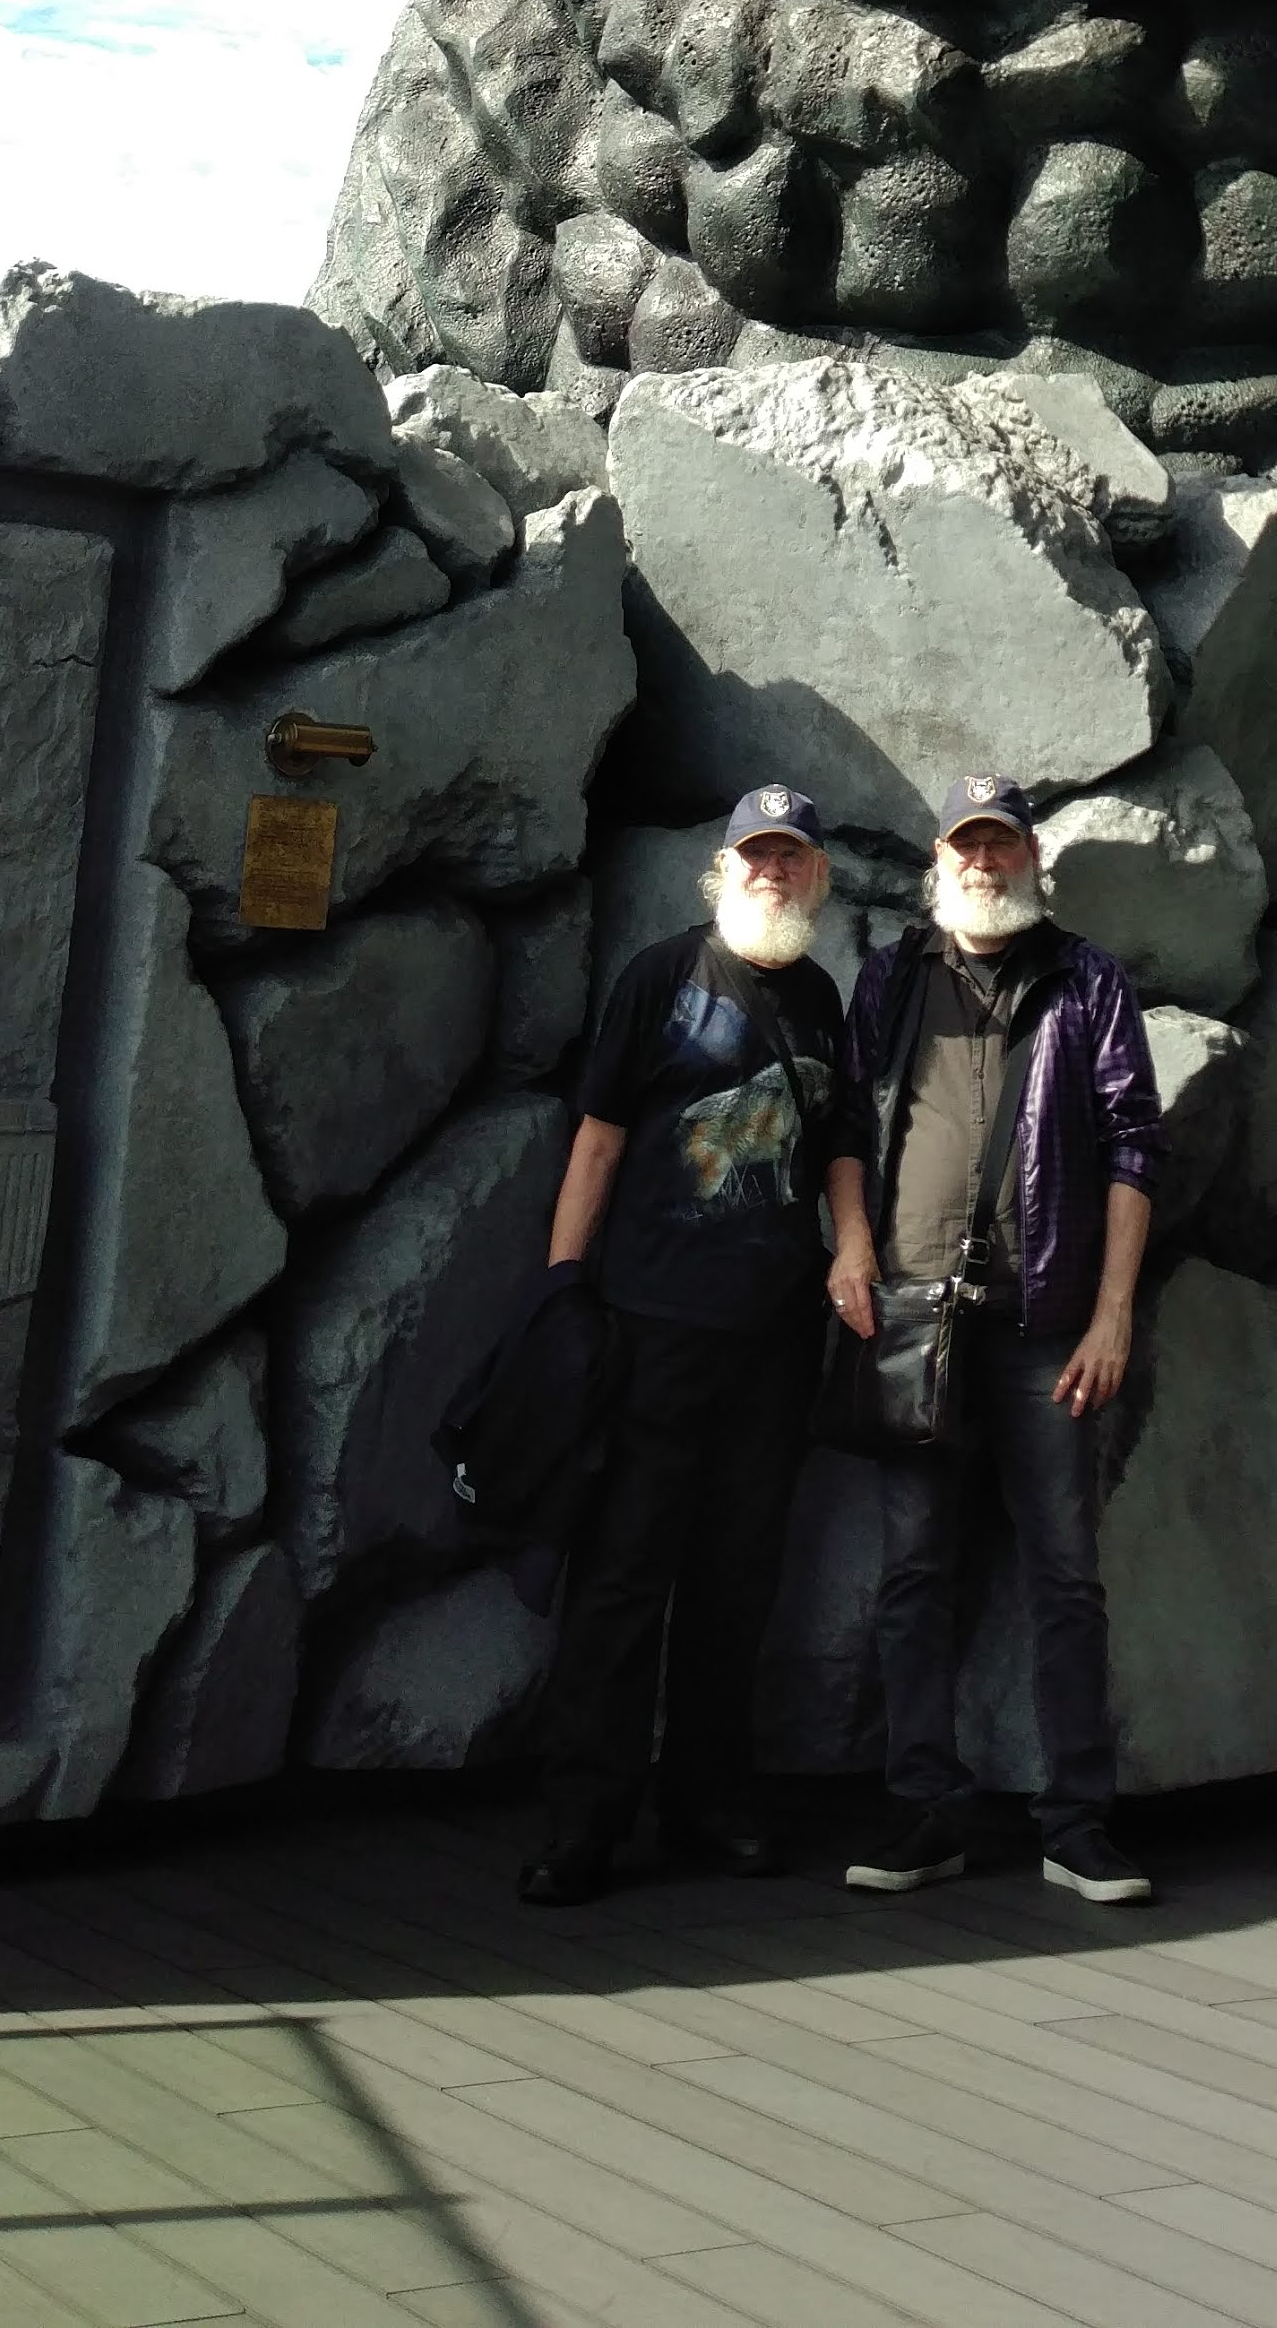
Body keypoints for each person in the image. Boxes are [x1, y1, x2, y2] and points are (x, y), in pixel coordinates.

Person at [824, 774, 1161, 1906]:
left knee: (1066, 1575)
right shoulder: (892, 977)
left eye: (1001, 844)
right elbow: (848, 1123)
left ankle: (1079, 1821)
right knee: (914, 1573)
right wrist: (853, 1246)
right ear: (940, 859)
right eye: (967, 845)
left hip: (1045, 1326)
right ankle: (924, 1808)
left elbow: (1132, 1148)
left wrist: (1114, 1310)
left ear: (1030, 857)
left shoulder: (1089, 977)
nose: (984, 862)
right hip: (912, 1317)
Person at [516, 782, 846, 1904]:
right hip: (655, 1327)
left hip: (775, 1336)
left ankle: (711, 1799)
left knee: (737, 1577)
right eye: (755, 853)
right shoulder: (662, 975)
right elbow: (598, 1140)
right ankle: (584, 1820)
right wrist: (566, 1283)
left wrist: (850, 1251)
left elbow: (842, 1143)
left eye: (791, 857)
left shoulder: (822, 998)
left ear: (817, 877)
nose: (772, 870)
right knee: (622, 1576)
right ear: (722, 868)